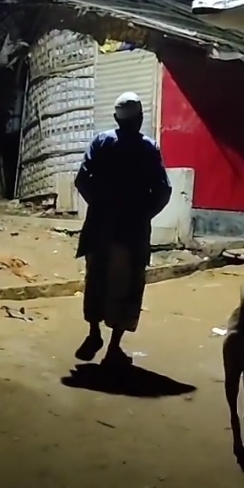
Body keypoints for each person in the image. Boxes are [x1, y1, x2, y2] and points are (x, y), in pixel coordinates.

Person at [73, 91, 172, 367]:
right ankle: (113, 347)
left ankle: (94, 333)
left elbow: (82, 180)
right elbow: (163, 190)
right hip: (132, 232)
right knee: (127, 287)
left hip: (100, 228)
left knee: (97, 282)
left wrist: (100, 206)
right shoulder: (148, 148)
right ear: (139, 119)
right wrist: (143, 215)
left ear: (117, 118)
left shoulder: (101, 142)